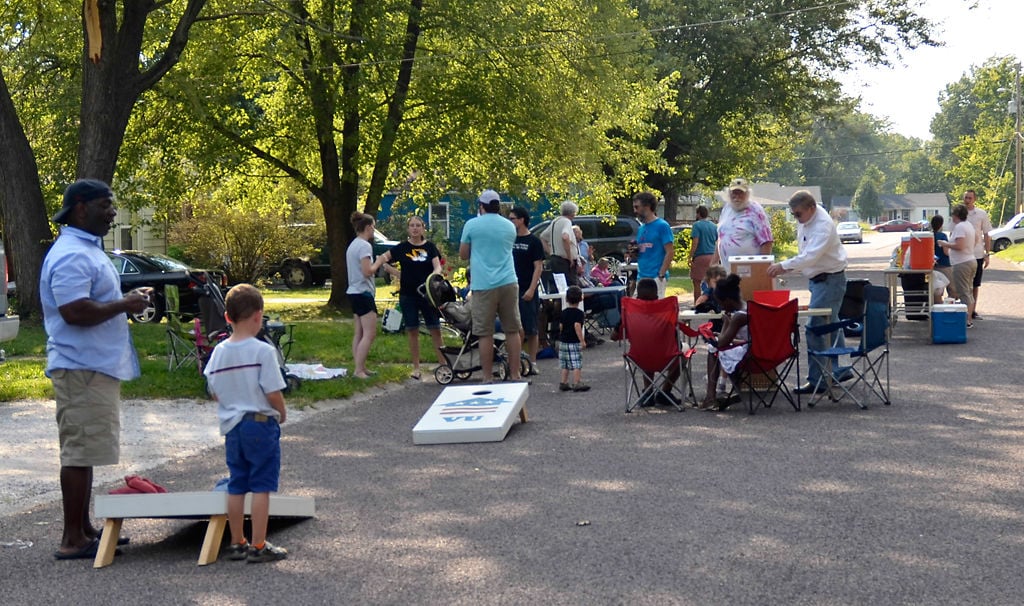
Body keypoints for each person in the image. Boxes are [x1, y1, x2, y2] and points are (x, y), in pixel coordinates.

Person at [40, 179, 152, 560]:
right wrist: (125, 305)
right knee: (77, 452)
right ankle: (72, 538)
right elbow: (74, 311)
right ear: (81, 208)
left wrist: (124, 301)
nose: (113, 212)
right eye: (106, 205)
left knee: (85, 451)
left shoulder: (84, 248)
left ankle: (85, 528)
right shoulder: (72, 254)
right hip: (79, 366)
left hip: (90, 366)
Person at [203, 284, 289, 563]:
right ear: (258, 316)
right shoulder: (262, 351)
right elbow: (272, 391)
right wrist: (282, 411)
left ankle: (236, 540)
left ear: (227, 317)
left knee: (237, 483)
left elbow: (214, 390)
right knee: (262, 484)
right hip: (260, 423)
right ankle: (259, 544)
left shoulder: (218, 353)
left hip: (232, 427)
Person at [767, 190, 850, 395]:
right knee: (831, 324)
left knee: (814, 328)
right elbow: (805, 252)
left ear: (811, 208)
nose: (796, 218)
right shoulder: (808, 218)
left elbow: (810, 256)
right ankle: (839, 368)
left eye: (798, 214)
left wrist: (783, 266)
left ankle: (818, 380)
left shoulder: (822, 226)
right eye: (794, 214)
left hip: (829, 280)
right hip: (820, 280)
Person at [459, 189, 526, 383]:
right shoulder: (509, 226)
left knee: (484, 332)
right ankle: (515, 374)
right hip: (508, 280)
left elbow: (463, 254)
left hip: (483, 284)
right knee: (512, 329)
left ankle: (487, 377)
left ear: (481, 206)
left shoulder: (472, 225)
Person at [377, 216, 446, 380]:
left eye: (418, 225)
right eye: (412, 226)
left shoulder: (430, 247)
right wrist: (392, 271)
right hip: (408, 295)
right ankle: (416, 367)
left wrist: (434, 276)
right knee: (412, 330)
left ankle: (444, 364)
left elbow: (438, 266)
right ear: (408, 229)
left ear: (423, 228)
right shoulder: (401, 248)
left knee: (435, 328)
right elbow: (383, 259)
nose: (415, 228)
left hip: (427, 295)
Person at [346, 212, 388, 379]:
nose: (373, 231)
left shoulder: (353, 244)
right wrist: (380, 261)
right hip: (363, 293)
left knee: (359, 332)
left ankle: (360, 366)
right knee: (369, 333)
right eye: (373, 227)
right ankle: (358, 370)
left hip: (353, 292)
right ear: (369, 227)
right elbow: (367, 271)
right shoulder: (364, 246)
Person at [699, 274, 749, 411]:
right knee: (715, 345)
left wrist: (726, 323)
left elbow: (722, 343)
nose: (720, 306)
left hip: (746, 354)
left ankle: (710, 396)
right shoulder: (747, 308)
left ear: (727, 301)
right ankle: (734, 389)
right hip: (753, 349)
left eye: (720, 303)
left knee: (712, 348)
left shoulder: (738, 317)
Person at [510, 206, 545, 374]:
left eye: (513, 219)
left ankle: (532, 361)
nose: (510, 222)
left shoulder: (534, 241)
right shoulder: (509, 239)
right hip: (510, 287)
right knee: (515, 328)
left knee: (531, 328)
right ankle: (515, 361)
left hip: (527, 287)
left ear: (521, 220)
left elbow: (538, 267)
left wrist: (532, 289)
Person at [714, 178, 773, 273]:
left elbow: (767, 242)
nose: (737, 196)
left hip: (750, 273)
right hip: (728, 273)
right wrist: (713, 266)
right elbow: (721, 238)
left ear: (747, 194)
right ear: (729, 194)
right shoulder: (727, 209)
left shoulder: (756, 211)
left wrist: (761, 271)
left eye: (741, 193)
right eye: (734, 192)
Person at [937, 204, 977, 328]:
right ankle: (969, 318)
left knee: (963, 292)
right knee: (969, 290)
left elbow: (959, 245)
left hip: (962, 264)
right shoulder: (968, 225)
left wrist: (945, 244)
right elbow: (974, 241)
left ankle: (967, 320)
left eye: (953, 214)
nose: (952, 217)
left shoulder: (960, 227)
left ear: (956, 215)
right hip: (970, 259)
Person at [631, 192, 674, 298]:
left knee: (655, 311)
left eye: (637, 207)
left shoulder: (662, 226)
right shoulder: (642, 228)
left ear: (647, 206)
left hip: (656, 277)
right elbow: (643, 250)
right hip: (641, 277)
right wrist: (633, 252)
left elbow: (670, 251)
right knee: (637, 310)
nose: (635, 211)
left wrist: (661, 274)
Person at [962, 189, 993, 320]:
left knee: (975, 284)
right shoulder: (959, 213)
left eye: (970, 198)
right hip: (962, 254)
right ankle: (963, 309)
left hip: (977, 253)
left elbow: (986, 234)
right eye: (965, 198)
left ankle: (973, 310)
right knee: (963, 284)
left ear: (974, 199)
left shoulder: (981, 214)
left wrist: (987, 253)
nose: (967, 200)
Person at [540, 200, 581, 287]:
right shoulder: (567, 221)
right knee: (571, 287)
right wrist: (570, 257)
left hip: (555, 259)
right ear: (573, 213)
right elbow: (565, 237)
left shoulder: (555, 221)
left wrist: (551, 252)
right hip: (565, 261)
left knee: (559, 287)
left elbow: (542, 237)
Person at [557, 285, 589, 392]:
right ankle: (577, 382)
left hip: (563, 341)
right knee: (576, 363)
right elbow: (577, 326)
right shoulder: (579, 313)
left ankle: (563, 382)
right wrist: (582, 340)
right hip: (573, 342)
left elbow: (560, 326)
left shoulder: (563, 312)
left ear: (566, 299)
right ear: (581, 299)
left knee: (565, 363)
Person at [689, 205, 718, 304]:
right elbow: (718, 241)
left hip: (700, 256)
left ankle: (697, 304)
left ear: (698, 213)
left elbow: (695, 243)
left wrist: (690, 256)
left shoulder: (697, 225)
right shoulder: (714, 226)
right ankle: (712, 303)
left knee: (696, 282)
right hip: (713, 256)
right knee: (712, 282)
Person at [931, 215, 952, 302]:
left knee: (937, 288)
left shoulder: (929, 235)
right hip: (945, 265)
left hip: (933, 265)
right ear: (941, 225)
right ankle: (950, 306)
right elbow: (946, 252)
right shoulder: (942, 236)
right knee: (952, 288)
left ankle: (937, 305)